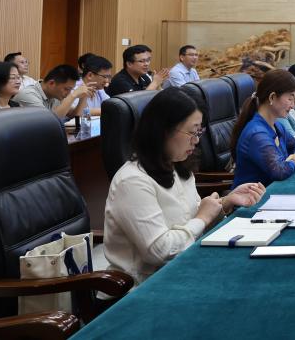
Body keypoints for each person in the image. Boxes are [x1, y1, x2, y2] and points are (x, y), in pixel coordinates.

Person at [104, 87, 265, 284]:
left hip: (186, 268)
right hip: (145, 286)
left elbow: (189, 221)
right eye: (192, 132)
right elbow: (159, 251)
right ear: (163, 130)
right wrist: (203, 217)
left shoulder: (177, 166)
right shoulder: (132, 181)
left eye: (199, 132)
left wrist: (225, 203)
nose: (196, 141)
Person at [230, 69, 295, 188]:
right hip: (251, 198)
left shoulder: (277, 125)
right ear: (272, 97)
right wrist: (294, 162)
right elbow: (279, 171)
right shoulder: (257, 133)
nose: (293, 105)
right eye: (290, 98)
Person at [13, 64, 91, 120]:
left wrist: (84, 96)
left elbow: (75, 115)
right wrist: (73, 95)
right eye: (67, 89)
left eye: (71, 90)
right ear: (51, 83)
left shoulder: (55, 95)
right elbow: (50, 121)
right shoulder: (29, 94)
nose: (68, 93)